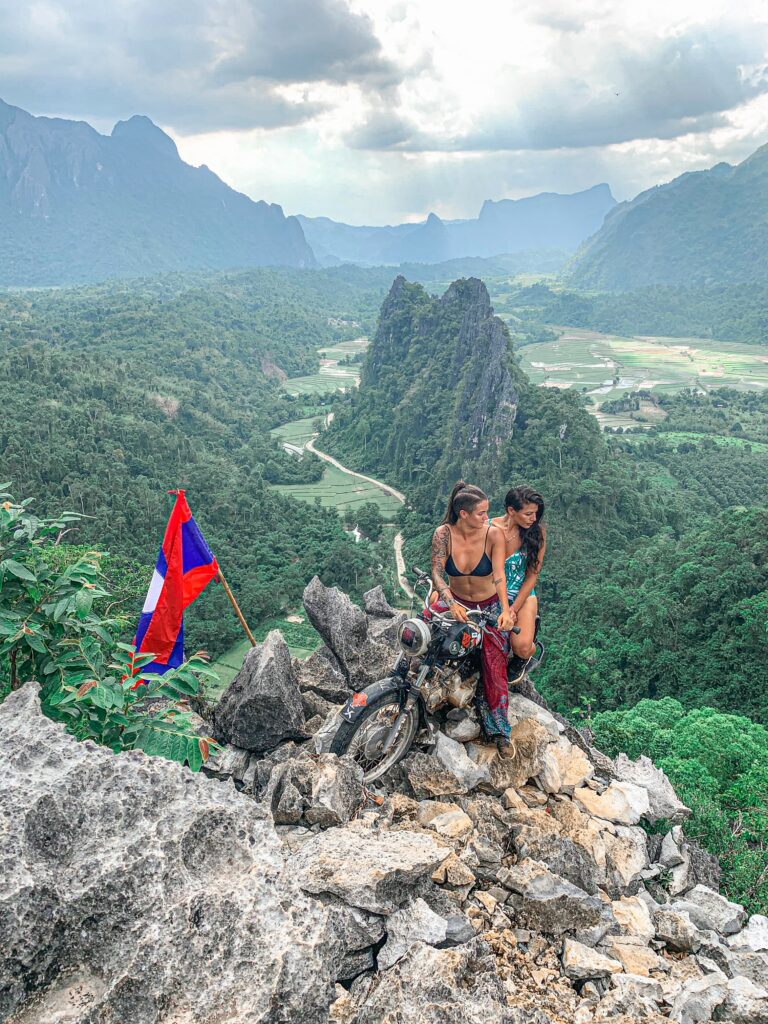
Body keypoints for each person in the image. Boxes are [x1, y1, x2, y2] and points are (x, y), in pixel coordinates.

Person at [431, 481, 516, 750]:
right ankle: (407, 697)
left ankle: (498, 730)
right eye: (481, 513)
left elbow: (500, 576)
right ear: (463, 514)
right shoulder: (443, 534)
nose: (487, 518)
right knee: (422, 640)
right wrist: (448, 601)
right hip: (455, 603)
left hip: (487, 607)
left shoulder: (493, 535)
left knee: (494, 664)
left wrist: (505, 610)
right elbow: (436, 572)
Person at [490, 485, 546, 685]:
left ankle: (525, 656)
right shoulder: (489, 529)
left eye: (536, 514)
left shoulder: (537, 533)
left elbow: (532, 575)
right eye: (528, 514)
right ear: (511, 511)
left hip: (522, 592)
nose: (533, 518)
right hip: (491, 591)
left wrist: (513, 609)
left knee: (522, 646)